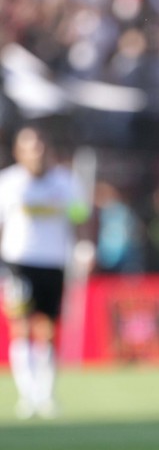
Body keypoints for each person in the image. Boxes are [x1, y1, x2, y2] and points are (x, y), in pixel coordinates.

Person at [0, 124, 90, 419]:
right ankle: (28, 397)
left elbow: (79, 216)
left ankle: (47, 395)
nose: (35, 151)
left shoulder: (65, 183)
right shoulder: (9, 183)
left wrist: (83, 245)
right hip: (18, 261)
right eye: (28, 146)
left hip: (53, 263)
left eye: (39, 145)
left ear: (47, 148)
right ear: (19, 151)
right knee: (22, 326)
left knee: (48, 330)